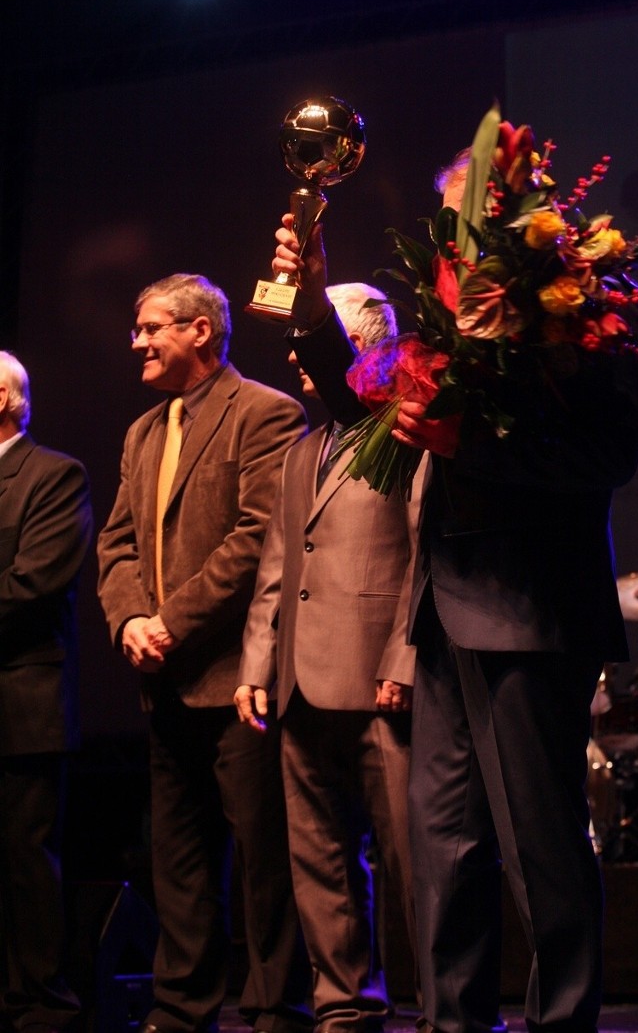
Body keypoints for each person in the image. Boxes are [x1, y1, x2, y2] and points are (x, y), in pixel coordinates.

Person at [269, 147, 638, 1033]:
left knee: (541, 854)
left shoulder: (596, 305)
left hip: (531, 610)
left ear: (530, 210)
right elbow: (372, 404)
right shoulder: (455, 314)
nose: (464, 230)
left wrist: (464, 444)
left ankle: (561, 1024)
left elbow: (609, 457)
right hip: (443, 608)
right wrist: (312, 295)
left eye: (481, 209)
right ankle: (453, 1026)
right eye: (457, 215)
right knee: (444, 852)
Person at [97, 273, 311, 1033]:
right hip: (165, 679)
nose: (139, 342)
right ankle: (182, 1007)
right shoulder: (144, 431)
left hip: (235, 678)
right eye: (138, 327)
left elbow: (257, 539)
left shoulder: (264, 413)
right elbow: (116, 542)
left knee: (264, 857)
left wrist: (170, 623)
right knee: (178, 860)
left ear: (200, 331)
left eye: (152, 327)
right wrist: (130, 621)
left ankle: (276, 1006)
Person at [234, 282, 423, 1033]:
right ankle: (344, 1004)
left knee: (417, 861)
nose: (295, 353)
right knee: (319, 857)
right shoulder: (301, 448)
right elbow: (278, 566)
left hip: (381, 680)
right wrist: (256, 662)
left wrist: (404, 660)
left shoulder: (405, 433)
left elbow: (422, 553)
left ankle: (446, 1004)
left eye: (318, 337)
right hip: (300, 683)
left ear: (366, 345)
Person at [0, 350, 93, 1033]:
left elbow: (32, 585)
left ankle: (40, 1003)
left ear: (5, 397)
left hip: (19, 702)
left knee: (25, 858)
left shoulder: (54, 476)